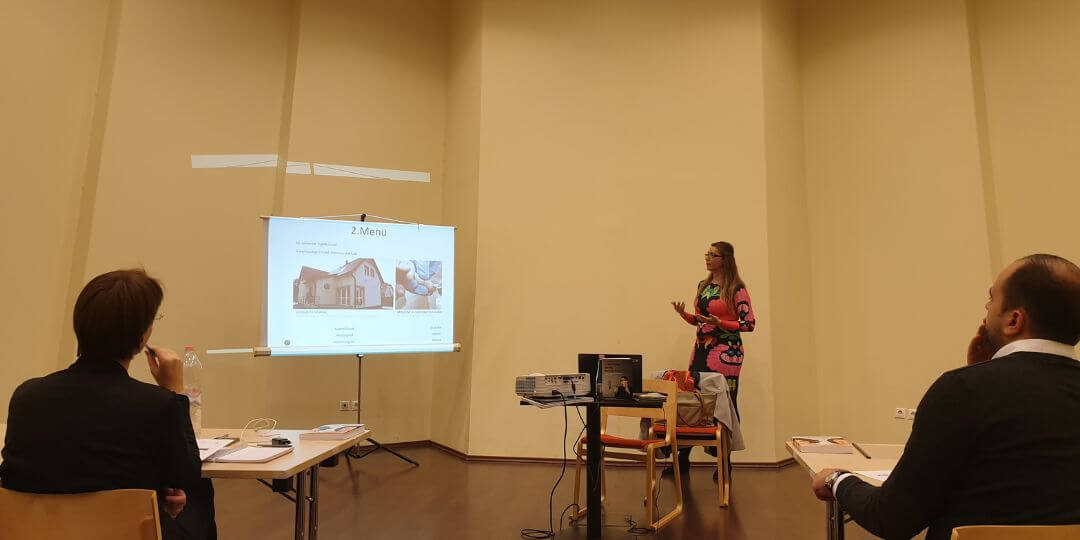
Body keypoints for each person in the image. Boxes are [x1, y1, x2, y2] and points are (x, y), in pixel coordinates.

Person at [811, 254, 1080, 540]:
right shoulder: (971, 388)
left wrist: (837, 479)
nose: (987, 308)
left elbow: (892, 519)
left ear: (1013, 320)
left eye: (991, 298)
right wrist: (983, 371)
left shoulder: (964, 389)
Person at [0, 269, 216, 539]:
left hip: (40, 532)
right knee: (199, 492)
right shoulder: (158, 404)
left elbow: (17, 478)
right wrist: (175, 391)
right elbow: (185, 475)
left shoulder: (26, 396)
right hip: (127, 532)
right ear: (142, 338)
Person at [669, 241, 756, 478]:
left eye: (713, 254)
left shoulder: (736, 288)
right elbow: (700, 320)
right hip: (701, 349)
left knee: (724, 402)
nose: (707, 257)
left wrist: (722, 323)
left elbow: (749, 324)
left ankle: (725, 462)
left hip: (726, 352)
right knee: (692, 398)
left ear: (725, 260)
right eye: (707, 253)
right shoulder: (703, 285)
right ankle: (682, 459)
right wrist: (684, 314)